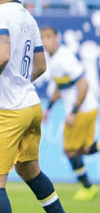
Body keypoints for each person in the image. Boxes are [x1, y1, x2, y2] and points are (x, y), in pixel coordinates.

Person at [0, 0, 65, 213]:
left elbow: (2, 55)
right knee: (30, 170)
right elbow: (40, 66)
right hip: (30, 106)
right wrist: (19, 83)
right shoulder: (28, 17)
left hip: (8, 110)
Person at [40, 26, 99, 200]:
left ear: (57, 38)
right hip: (85, 108)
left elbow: (83, 83)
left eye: (49, 36)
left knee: (70, 151)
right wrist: (49, 108)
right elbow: (61, 85)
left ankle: (88, 188)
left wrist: (73, 111)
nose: (45, 41)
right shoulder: (51, 59)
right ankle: (88, 187)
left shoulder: (64, 57)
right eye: (42, 37)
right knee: (82, 149)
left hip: (82, 109)